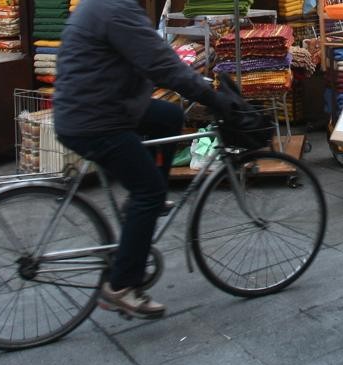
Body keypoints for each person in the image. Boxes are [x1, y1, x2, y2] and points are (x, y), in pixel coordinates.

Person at [54, 0, 241, 319]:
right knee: (148, 190)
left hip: (98, 105)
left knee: (168, 115)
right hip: (97, 119)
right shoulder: (117, 10)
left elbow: (145, 60)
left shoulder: (102, 5)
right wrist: (211, 98)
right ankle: (122, 286)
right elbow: (161, 65)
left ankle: (146, 199)